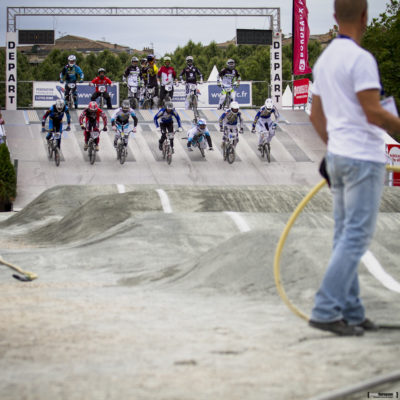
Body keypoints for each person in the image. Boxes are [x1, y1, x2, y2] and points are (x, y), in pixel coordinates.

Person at [309, 0, 400, 336]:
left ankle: (352, 311)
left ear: (334, 18)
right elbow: (374, 112)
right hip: (363, 157)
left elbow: (315, 116)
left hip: (339, 156)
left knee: (343, 234)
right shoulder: (361, 60)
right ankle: (325, 308)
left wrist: (333, 148)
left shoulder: (324, 60)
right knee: (356, 236)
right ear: (365, 16)